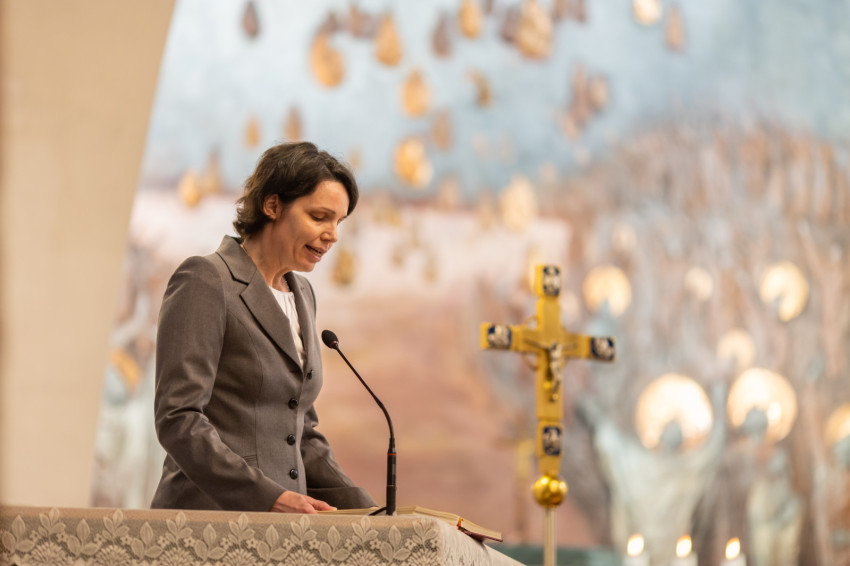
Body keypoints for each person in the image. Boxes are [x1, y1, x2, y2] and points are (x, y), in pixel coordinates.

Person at [151, 142, 376, 513]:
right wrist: (269, 499)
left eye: (338, 222)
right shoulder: (206, 279)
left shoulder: (303, 294)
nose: (333, 235)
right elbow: (179, 419)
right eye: (320, 217)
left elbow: (301, 433)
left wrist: (372, 513)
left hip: (282, 532)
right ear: (272, 206)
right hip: (206, 521)